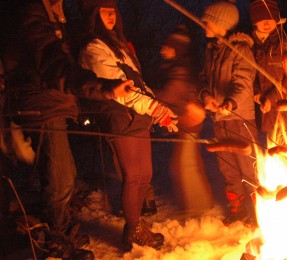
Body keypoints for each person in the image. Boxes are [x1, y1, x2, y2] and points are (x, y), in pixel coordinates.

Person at [0, 0, 134, 258]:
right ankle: (57, 243)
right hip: (40, 105)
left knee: (65, 174)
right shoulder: (31, 11)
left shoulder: (55, 13)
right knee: (59, 178)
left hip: (52, 104)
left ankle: (60, 230)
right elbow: (52, 61)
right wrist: (102, 87)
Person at [78, 0, 176, 250]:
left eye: (113, 11)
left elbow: (139, 84)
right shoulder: (94, 48)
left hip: (138, 117)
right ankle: (132, 232)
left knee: (145, 175)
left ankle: (137, 224)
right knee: (133, 176)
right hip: (120, 117)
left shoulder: (119, 45)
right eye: (104, 11)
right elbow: (121, 88)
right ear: (94, 14)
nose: (111, 15)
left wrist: (159, 109)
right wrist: (152, 107)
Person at [199, 0, 258, 225]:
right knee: (227, 167)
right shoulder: (212, 50)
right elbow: (203, 79)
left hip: (240, 118)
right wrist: (206, 96)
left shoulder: (240, 50)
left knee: (247, 167)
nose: (203, 24)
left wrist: (231, 102)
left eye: (207, 21)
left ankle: (259, 213)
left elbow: (243, 81)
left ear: (220, 23)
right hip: (219, 119)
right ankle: (237, 210)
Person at [157, 24, 212, 214]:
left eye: (167, 46)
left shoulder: (179, 70)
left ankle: (198, 205)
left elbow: (169, 95)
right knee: (188, 162)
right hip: (187, 121)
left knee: (184, 164)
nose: (162, 49)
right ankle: (198, 203)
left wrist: (146, 96)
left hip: (190, 121)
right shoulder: (176, 67)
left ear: (176, 49)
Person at [249, 0, 287, 146]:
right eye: (261, 19)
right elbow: (251, 74)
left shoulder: (284, 43)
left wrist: (272, 99)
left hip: (284, 108)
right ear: (255, 22)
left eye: (270, 18)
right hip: (265, 111)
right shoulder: (252, 46)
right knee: (273, 149)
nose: (266, 23)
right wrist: (257, 92)